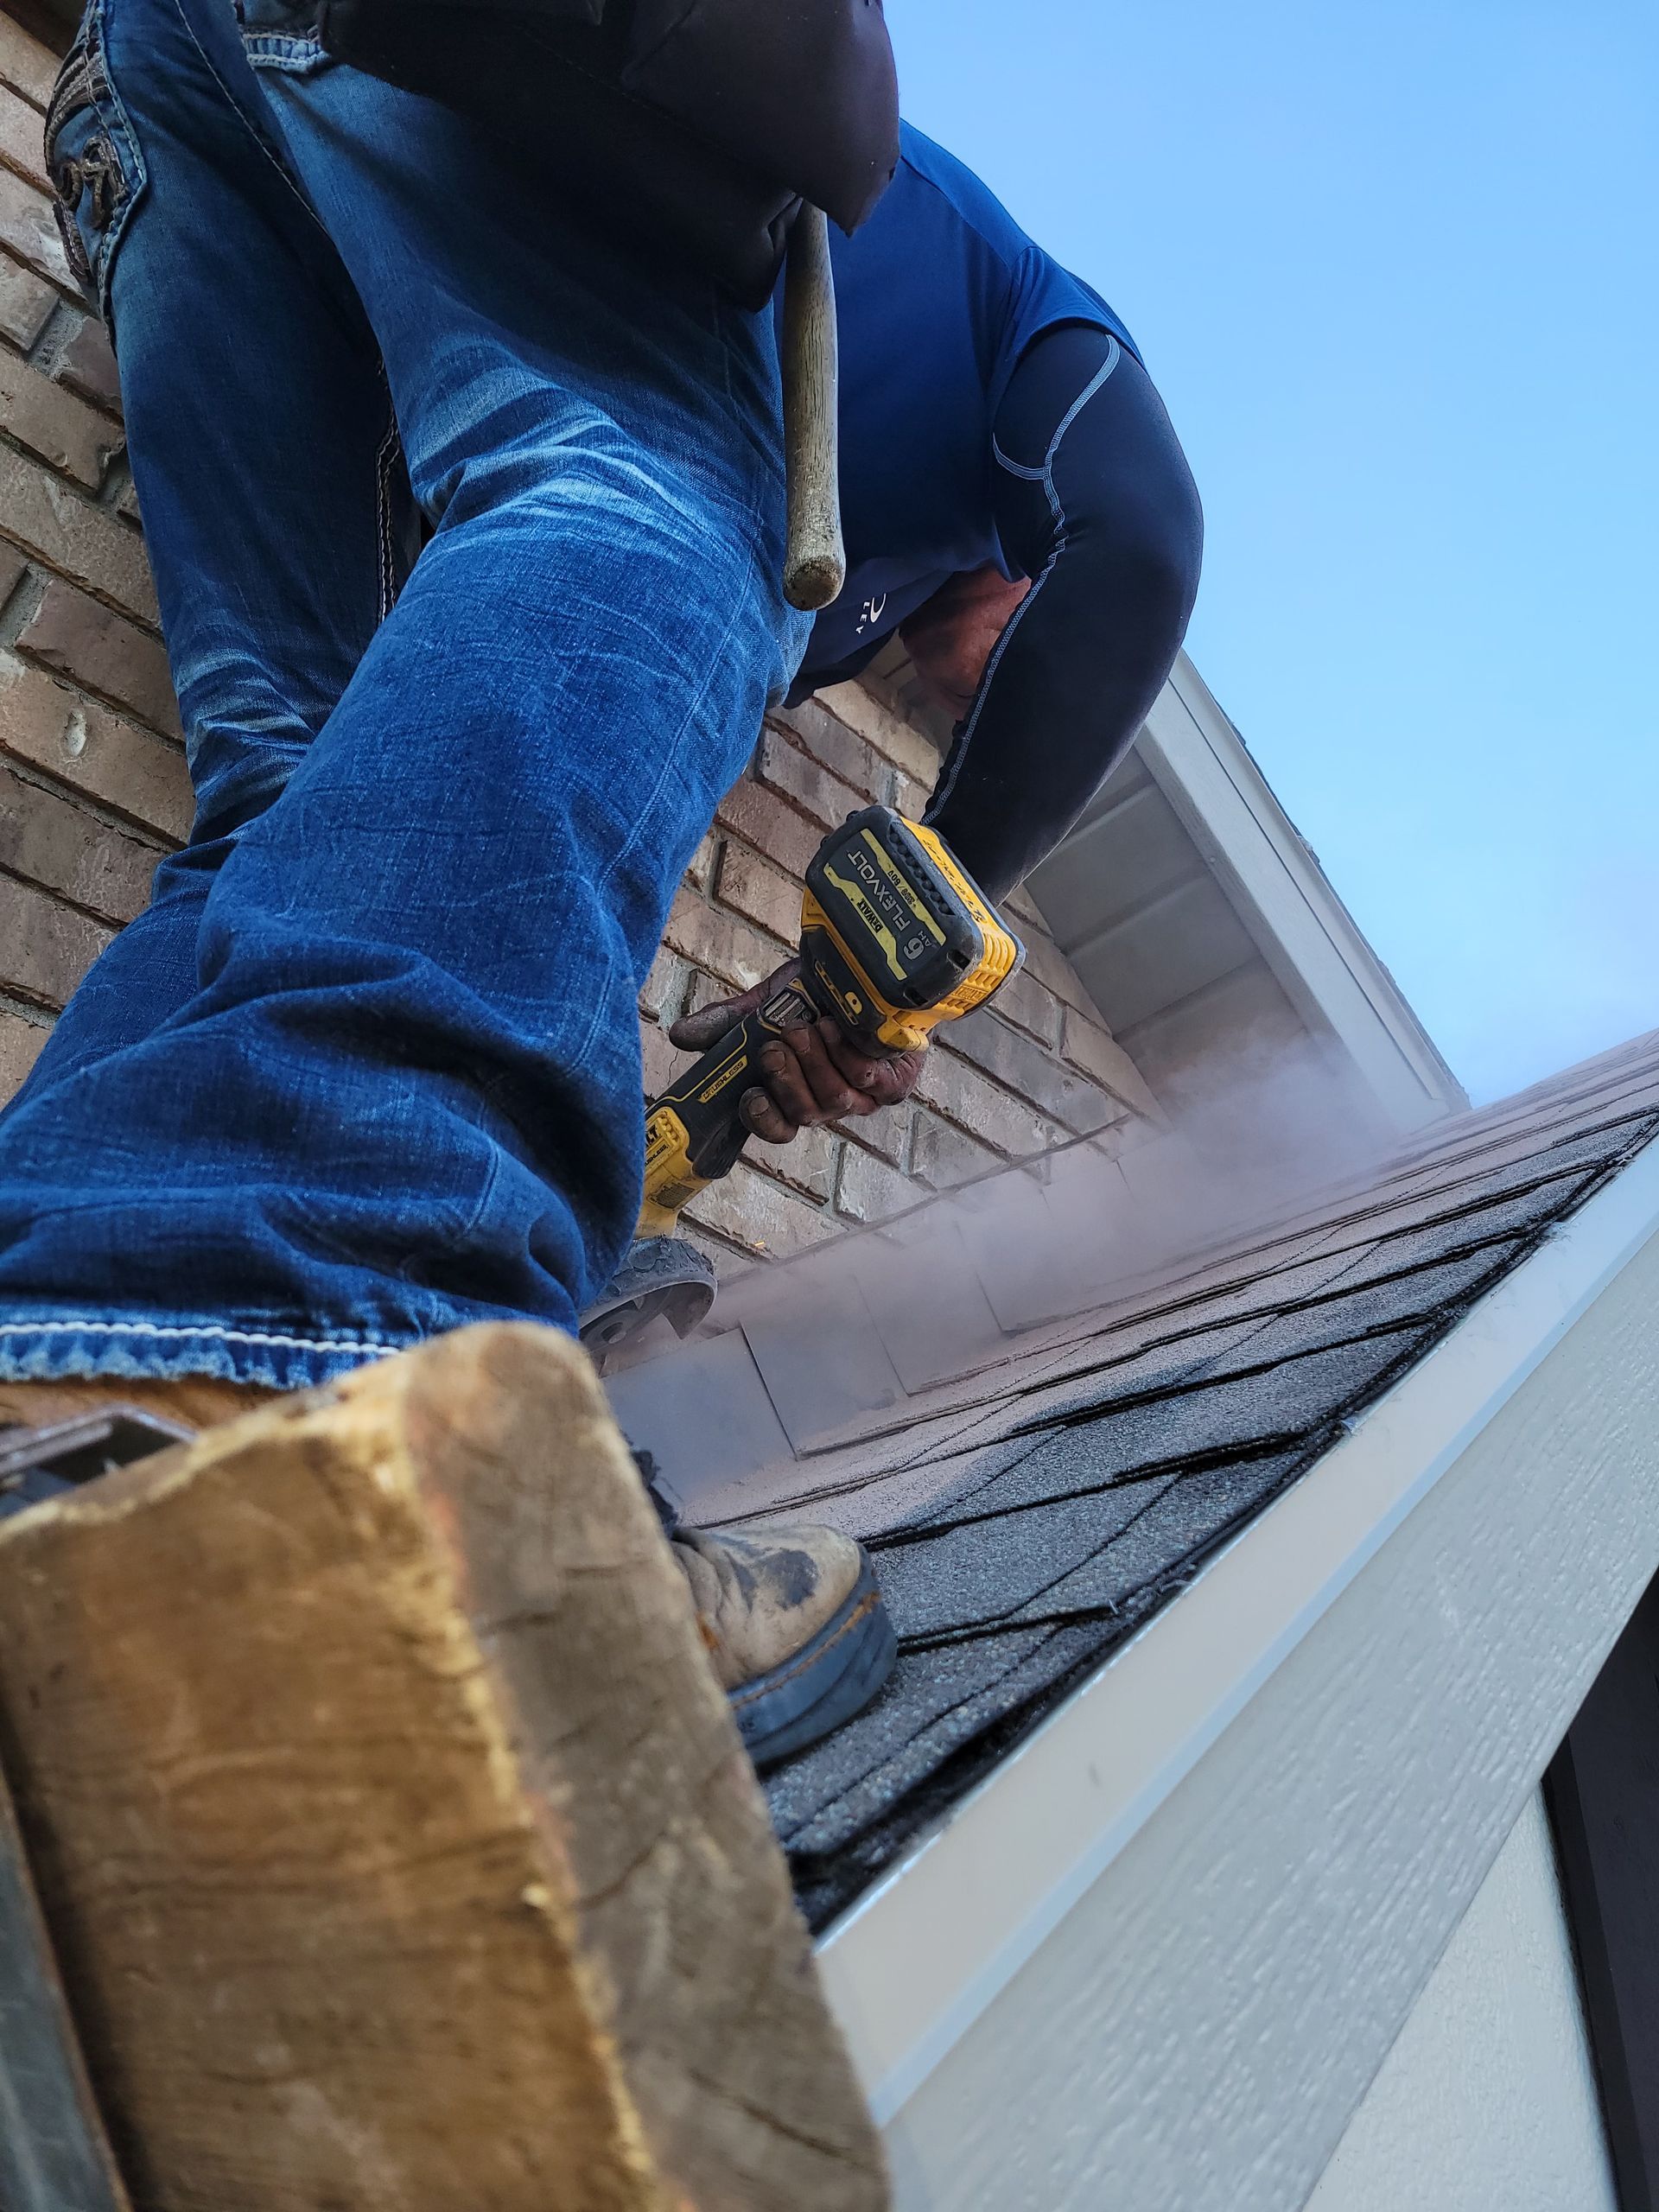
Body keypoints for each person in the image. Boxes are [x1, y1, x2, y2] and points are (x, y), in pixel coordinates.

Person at [0, 0, 894, 1764]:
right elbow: (832, 130)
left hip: (158, 63)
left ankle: (66, 1346)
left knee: (285, 781)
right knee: (645, 499)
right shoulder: (1053, 408)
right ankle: (303, 1343)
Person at [666, 123, 1204, 1149]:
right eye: (1027, 652)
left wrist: (843, 1004)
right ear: (1033, 561)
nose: (980, 709)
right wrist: (906, 938)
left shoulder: (833, 626)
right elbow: (1144, 553)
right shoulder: (1021, 324)